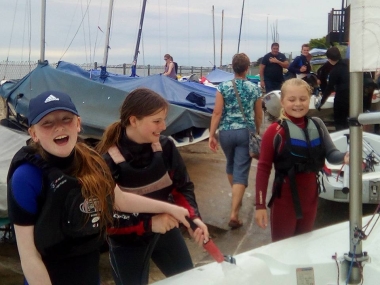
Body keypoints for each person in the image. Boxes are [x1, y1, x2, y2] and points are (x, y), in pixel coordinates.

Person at [7, 90, 191, 285]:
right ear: (33, 134)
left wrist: (172, 208)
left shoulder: (92, 162)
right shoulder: (26, 177)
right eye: (47, 123)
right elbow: (29, 256)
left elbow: (120, 200)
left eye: (66, 119)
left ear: (78, 124)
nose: (59, 128)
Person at [95, 88, 209, 285]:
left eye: (164, 120)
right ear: (133, 120)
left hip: (166, 231)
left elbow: (183, 188)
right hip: (127, 243)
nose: (163, 127)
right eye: (156, 121)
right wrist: (149, 224)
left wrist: (193, 218)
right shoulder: (108, 161)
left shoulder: (166, 148)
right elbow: (105, 221)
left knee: (188, 280)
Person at [254, 78, 349, 242]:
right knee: (284, 251)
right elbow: (263, 169)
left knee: (304, 248)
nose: (298, 104)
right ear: (282, 102)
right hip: (284, 202)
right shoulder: (275, 131)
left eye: (303, 99)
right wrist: (260, 206)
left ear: (310, 100)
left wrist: (345, 157)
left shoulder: (317, 124)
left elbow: (332, 154)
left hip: (310, 200)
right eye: (292, 100)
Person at [209, 53, 262, 229]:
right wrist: (257, 130)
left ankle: (236, 200)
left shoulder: (223, 87)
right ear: (247, 68)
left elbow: (217, 113)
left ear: (233, 67)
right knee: (241, 170)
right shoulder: (254, 88)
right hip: (245, 132)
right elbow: (258, 113)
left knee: (231, 165)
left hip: (226, 132)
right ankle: (234, 214)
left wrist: (211, 135)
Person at [319, 46, 350, 131]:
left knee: (340, 121)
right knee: (350, 121)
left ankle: (343, 138)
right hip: (353, 96)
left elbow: (329, 88)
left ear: (329, 59)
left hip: (341, 98)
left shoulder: (335, 71)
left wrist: (322, 101)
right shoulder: (348, 63)